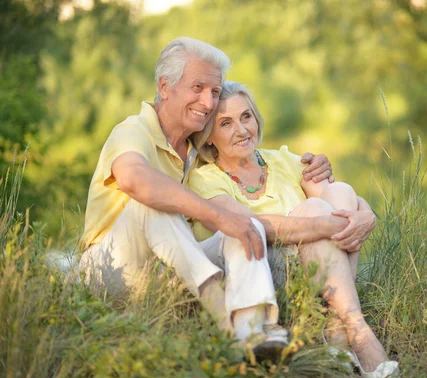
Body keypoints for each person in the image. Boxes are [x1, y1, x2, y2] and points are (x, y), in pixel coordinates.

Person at [79, 38, 333, 359]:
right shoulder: (133, 131)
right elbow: (134, 179)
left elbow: (248, 162)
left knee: (241, 223)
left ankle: (252, 330)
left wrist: (315, 166)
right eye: (197, 87)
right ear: (165, 86)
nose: (209, 101)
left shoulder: (196, 151)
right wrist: (217, 216)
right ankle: (225, 323)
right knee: (153, 199)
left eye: (214, 91)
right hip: (111, 270)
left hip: (170, 275)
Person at [189, 81, 401, 378]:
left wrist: (366, 215)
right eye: (225, 123)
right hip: (260, 272)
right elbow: (251, 226)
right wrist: (321, 225)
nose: (241, 129)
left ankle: (336, 328)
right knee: (315, 208)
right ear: (208, 137)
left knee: (338, 189)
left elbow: (341, 200)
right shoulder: (204, 179)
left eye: (246, 116)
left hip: (314, 265)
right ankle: (355, 329)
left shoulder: (282, 160)